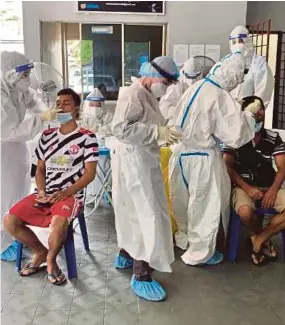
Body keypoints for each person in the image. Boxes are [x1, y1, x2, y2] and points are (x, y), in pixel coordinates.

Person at [3, 88, 98, 284]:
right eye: (58, 103)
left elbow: (90, 174)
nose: (61, 107)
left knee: (58, 224)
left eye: (66, 103)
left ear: (76, 110)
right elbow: (40, 170)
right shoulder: (47, 136)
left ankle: (51, 260)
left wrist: (66, 192)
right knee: (10, 220)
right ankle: (40, 251)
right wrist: (42, 191)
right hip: (46, 193)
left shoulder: (87, 137)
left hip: (71, 196)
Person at [169, 53, 256, 266]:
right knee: (204, 206)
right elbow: (235, 136)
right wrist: (249, 116)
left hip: (180, 154)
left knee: (182, 201)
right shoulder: (218, 94)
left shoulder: (194, 87)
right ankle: (199, 253)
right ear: (231, 77)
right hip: (202, 158)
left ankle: (184, 240)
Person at [111, 56, 182, 301]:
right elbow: (120, 129)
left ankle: (125, 253)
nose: (167, 86)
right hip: (135, 160)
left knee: (130, 209)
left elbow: (147, 124)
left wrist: (164, 130)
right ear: (151, 74)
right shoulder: (133, 94)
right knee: (146, 213)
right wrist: (157, 132)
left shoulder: (146, 94)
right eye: (165, 81)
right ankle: (140, 273)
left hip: (141, 158)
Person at [0, 51, 59, 261]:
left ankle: (16, 235)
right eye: (23, 74)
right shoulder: (1, 95)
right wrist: (41, 120)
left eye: (28, 73)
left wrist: (49, 112)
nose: (27, 78)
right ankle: (1, 244)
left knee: (18, 194)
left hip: (16, 151)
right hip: (3, 152)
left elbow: (34, 100)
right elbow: (9, 132)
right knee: (4, 196)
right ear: (9, 74)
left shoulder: (17, 88)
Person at [223, 96, 285, 265]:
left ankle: (259, 239)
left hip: (269, 186)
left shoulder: (273, 137)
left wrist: (272, 191)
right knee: (245, 212)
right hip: (244, 187)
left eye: (261, 110)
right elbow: (229, 167)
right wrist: (248, 188)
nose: (259, 115)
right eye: (254, 112)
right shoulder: (235, 138)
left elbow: (282, 168)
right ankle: (263, 238)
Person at [229, 25, 274, 108]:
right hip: (230, 115)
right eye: (234, 42)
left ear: (247, 42)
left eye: (240, 41)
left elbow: (263, 93)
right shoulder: (229, 63)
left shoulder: (259, 64)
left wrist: (251, 113)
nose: (237, 45)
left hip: (248, 114)